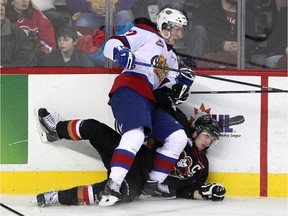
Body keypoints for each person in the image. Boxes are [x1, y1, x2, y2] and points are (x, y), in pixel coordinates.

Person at [100, 6, 196, 206]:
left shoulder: (171, 57)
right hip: (130, 88)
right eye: (177, 29)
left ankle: (153, 183)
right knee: (136, 133)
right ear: (165, 25)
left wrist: (181, 84)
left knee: (178, 137)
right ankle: (113, 183)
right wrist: (121, 51)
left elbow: (168, 92)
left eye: (181, 30)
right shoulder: (145, 33)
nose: (179, 35)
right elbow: (111, 44)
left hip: (149, 99)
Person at [35, 106, 226, 207]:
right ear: (196, 131)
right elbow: (160, 108)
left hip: (137, 181)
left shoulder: (203, 167)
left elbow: (186, 192)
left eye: (212, 139)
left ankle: (56, 198)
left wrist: (207, 194)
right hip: (130, 154)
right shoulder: (179, 130)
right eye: (206, 136)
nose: (208, 142)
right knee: (94, 128)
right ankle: (55, 131)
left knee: (107, 193)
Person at [186, 0, 257, 68]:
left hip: (237, 61)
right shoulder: (207, 8)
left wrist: (239, 47)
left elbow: (252, 41)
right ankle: (192, 72)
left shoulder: (247, 14)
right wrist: (222, 44)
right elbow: (198, 33)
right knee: (198, 29)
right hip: (209, 57)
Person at [5, 0, 56, 65]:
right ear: (12, 2)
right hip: (11, 57)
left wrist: (45, 49)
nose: (24, 1)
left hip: (34, 57)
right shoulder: (4, 16)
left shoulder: (37, 15)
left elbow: (50, 43)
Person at [1, 0, 36, 67]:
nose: (1, 8)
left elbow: (25, 60)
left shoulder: (18, 33)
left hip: (9, 75)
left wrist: (6, 73)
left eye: (3, 5)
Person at [65, 0, 135, 34]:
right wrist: (90, 6)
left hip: (118, 12)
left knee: (125, 17)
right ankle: (88, 60)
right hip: (88, 13)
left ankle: (121, 56)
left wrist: (116, 7)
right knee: (82, 24)